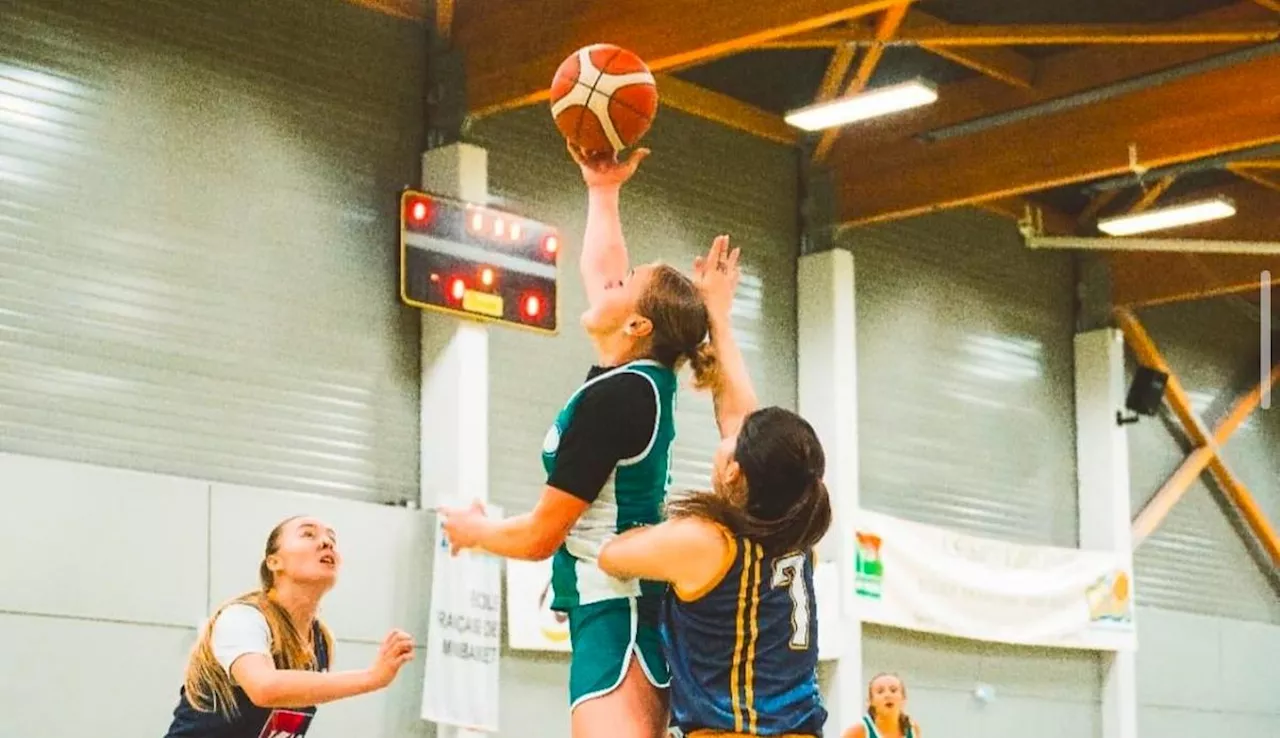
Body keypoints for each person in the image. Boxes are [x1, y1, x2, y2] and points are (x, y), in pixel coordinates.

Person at [439, 144, 716, 738]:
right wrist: (603, 189)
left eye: (627, 283)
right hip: (616, 606)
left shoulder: (615, 399)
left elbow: (541, 537)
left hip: (622, 611)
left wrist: (473, 532)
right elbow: (603, 267)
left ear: (637, 324)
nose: (611, 281)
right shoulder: (633, 382)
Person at [596, 236, 833, 738]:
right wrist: (719, 316)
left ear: (735, 474)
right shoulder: (795, 531)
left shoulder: (704, 542)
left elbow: (612, 556)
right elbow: (740, 423)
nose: (728, 436)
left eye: (735, 445)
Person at [162, 515, 416, 738]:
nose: (327, 543)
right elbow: (264, 688)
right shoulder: (242, 618)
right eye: (308, 534)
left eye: (332, 539)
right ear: (274, 562)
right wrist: (372, 678)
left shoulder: (320, 641)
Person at [841, 673, 921, 738]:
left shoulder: (913, 729)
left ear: (904, 699)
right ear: (870, 701)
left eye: (893, 690)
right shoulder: (858, 731)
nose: (887, 695)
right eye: (880, 691)